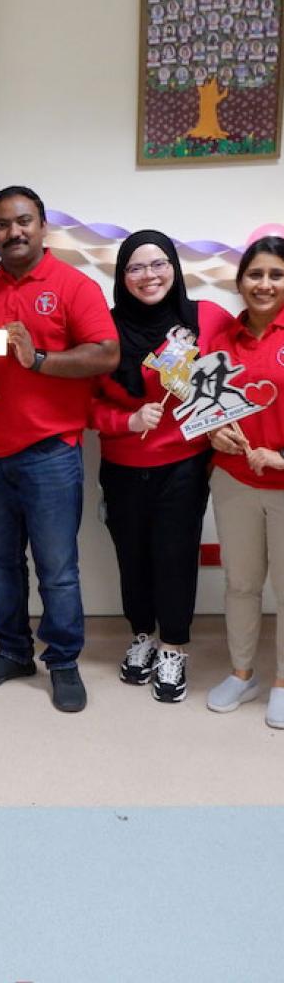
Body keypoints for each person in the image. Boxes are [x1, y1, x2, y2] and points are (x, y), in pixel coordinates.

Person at [0, 185, 118, 713]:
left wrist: (40, 360)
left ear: (44, 225)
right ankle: (12, 652)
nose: (14, 232)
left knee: (58, 568)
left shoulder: (74, 286)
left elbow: (106, 354)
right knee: (0, 565)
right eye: (2, 225)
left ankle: (64, 661)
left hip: (50, 453)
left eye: (24, 221)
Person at [91, 230, 234, 703]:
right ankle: (142, 636)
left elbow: (241, 368)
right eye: (135, 267)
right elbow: (83, 405)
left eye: (158, 265)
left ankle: (173, 646)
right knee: (131, 556)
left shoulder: (204, 319)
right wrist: (126, 419)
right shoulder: (103, 329)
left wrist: (224, 426)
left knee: (175, 556)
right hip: (122, 464)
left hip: (184, 465)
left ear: (174, 268)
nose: (148, 276)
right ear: (121, 276)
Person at [206, 236, 284, 728]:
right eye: (255, 275)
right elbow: (205, 409)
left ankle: (282, 683)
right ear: (240, 283)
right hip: (233, 482)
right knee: (241, 583)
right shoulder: (220, 341)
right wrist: (215, 431)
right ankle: (242, 672)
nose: (265, 284)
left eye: (276, 274)